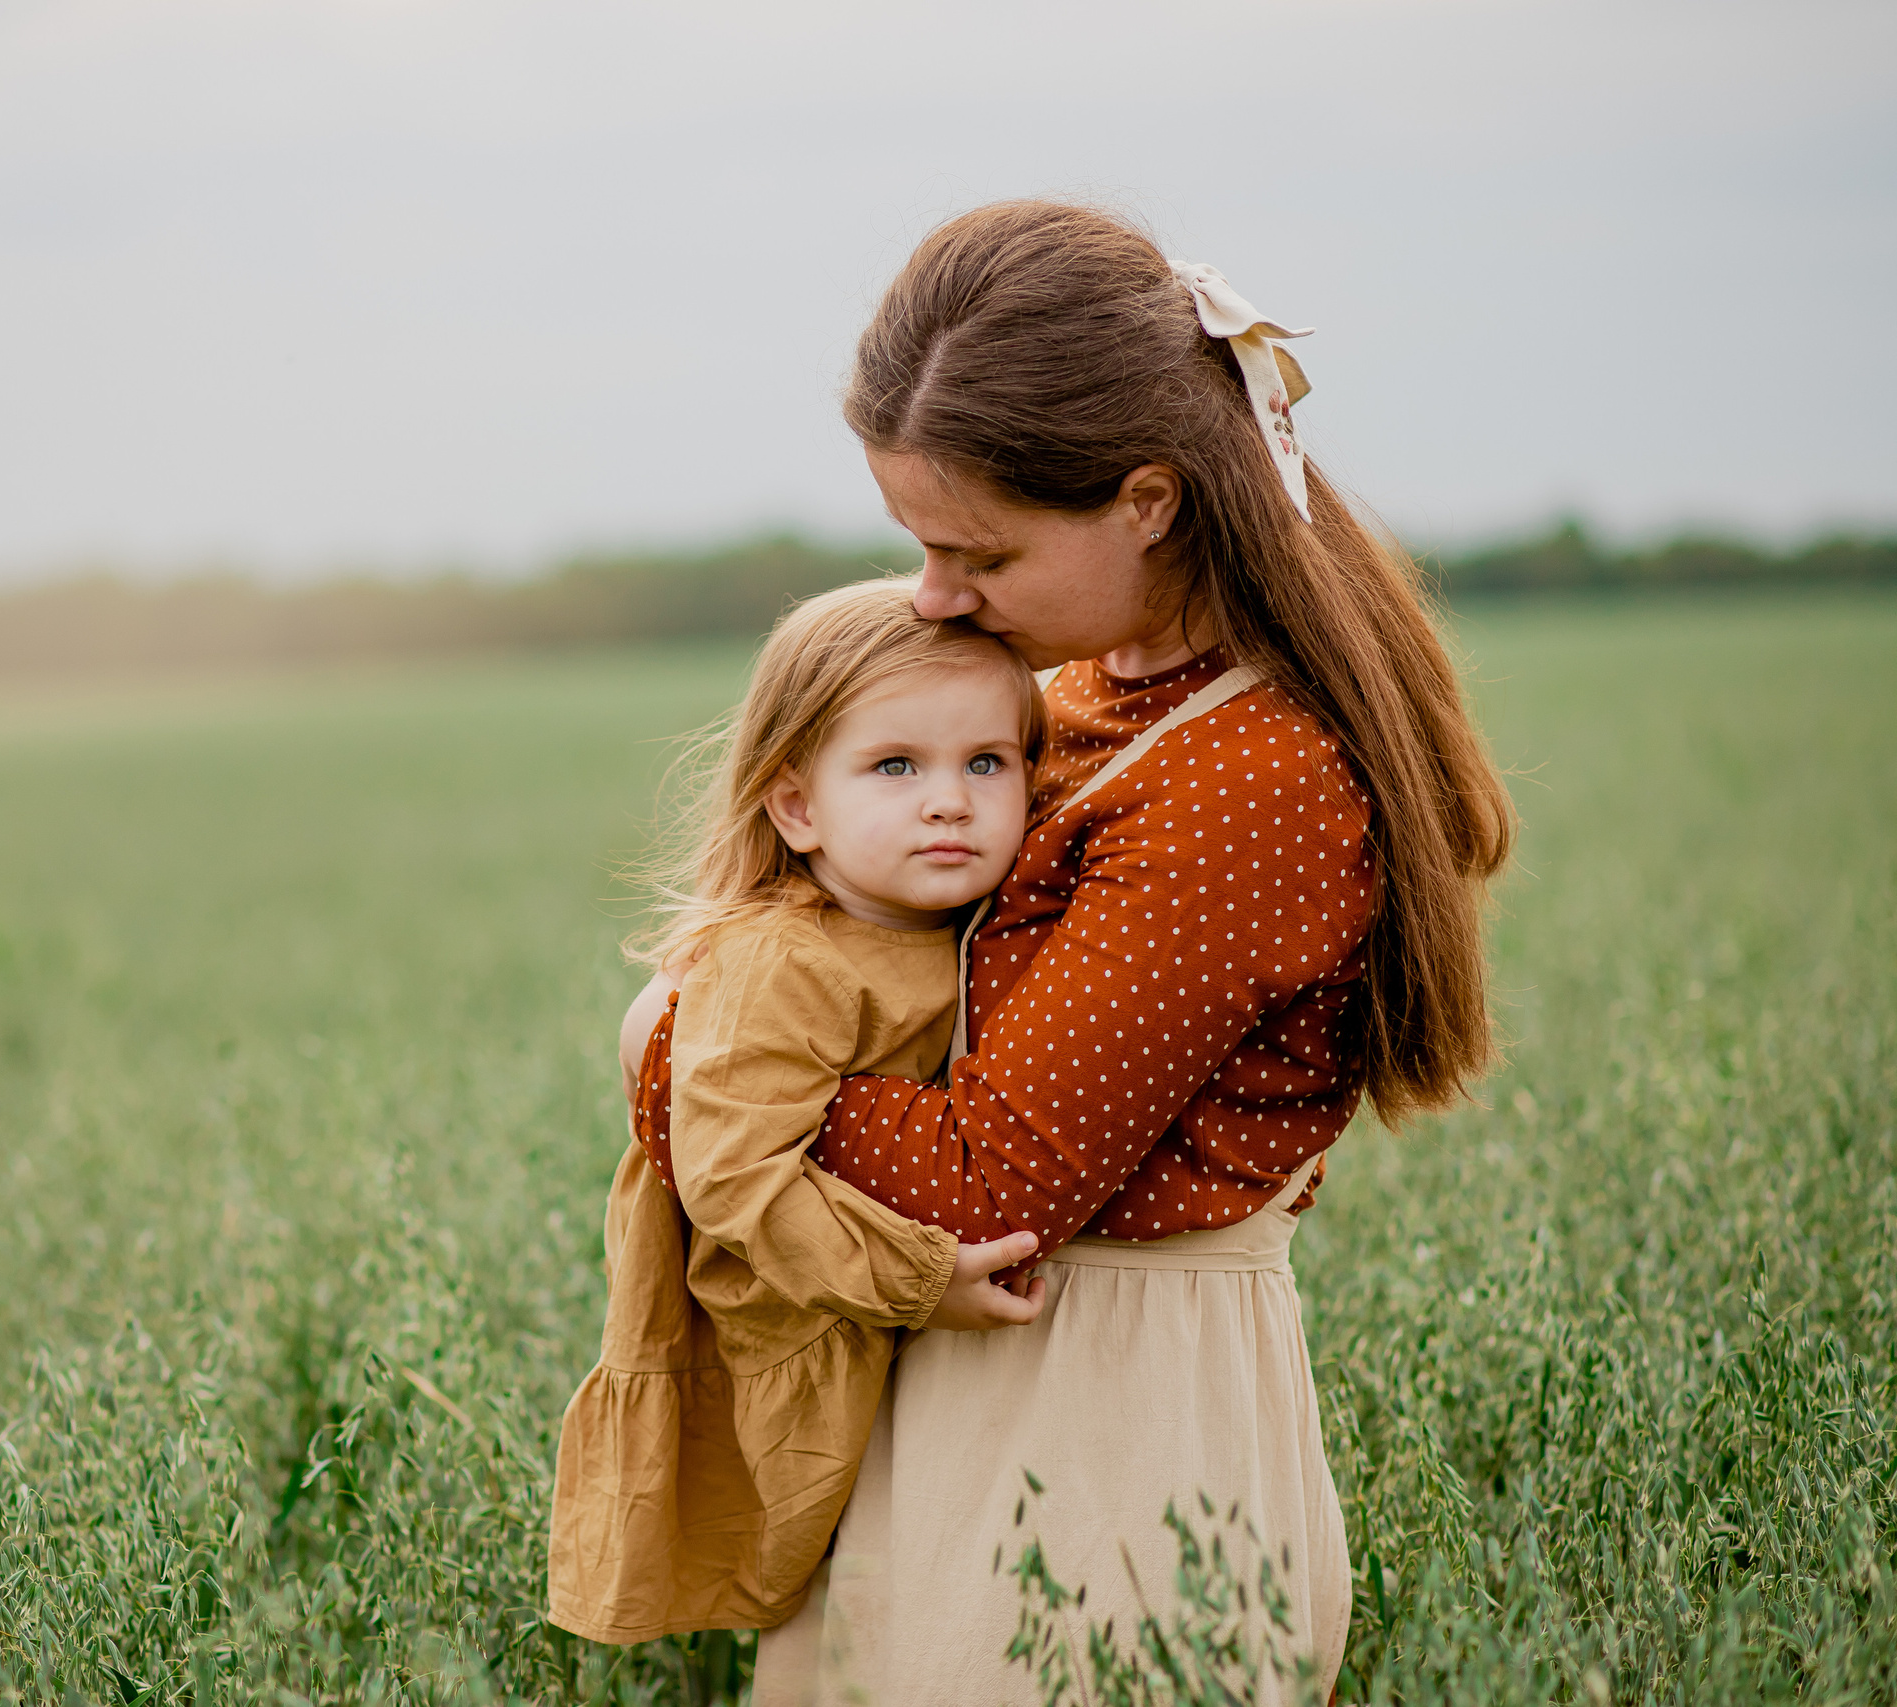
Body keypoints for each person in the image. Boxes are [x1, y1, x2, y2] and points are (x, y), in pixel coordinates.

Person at [628, 202, 1514, 1704]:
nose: (931, 596)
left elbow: (990, 1177)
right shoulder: (1089, 689)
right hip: (977, 1378)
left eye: (977, 550)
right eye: (918, 544)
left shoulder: (1252, 785)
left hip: (1105, 1436)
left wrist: (680, 1055)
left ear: (1148, 502)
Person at [547, 578, 1056, 1650]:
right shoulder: (785, 958)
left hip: (869, 1312)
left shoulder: (966, 923)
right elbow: (734, 1177)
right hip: (787, 1322)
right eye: (895, 766)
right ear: (796, 808)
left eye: (986, 762)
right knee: (829, 1595)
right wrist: (919, 1279)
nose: (949, 801)